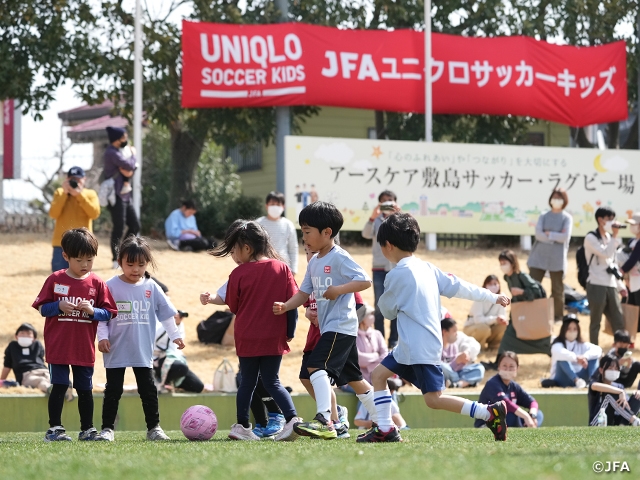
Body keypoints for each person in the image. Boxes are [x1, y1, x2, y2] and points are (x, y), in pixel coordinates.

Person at [359, 212, 511, 443]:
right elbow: (460, 286)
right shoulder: (428, 268)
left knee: (434, 399)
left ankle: (489, 412)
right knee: (379, 375)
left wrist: (386, 301)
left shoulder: (395, 275)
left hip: (416, 348)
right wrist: (492, 296)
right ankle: (385, 428)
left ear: (387, 245)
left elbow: (387, 312)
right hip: (416, 346)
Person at [273, 201, 377, 440]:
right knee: (355, 379)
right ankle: (386, 423)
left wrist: (339, 289)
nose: (304, 237)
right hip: (336, 328)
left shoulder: (339, 257)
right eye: (302, 231)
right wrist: (286, 306)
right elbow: (303, 292)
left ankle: (325, 421)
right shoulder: (315, 262)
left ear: (327, 232)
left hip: (340, 325)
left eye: (307, 231)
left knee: (315, 367)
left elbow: (364, 281)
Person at [203, 220, 301, 441]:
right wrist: (290, 331)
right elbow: (293, 303)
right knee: (272, 381)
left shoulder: (238, 273)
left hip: (247, 336)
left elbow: (234, 306)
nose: (234, 257)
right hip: (274, 335)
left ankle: (243, 426)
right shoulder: (282, 268)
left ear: (246, 248)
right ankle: (293, 419)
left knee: (247, 382)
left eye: (234, 250)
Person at [31, 228, 117, 442]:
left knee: (85, 389)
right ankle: (55, 429)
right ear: (66, 257)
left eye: (90, 259)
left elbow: (109, 313)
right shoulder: (55, 279)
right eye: (79, 260)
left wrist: (92, 311)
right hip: (58, 346)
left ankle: (87, 429)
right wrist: (58, 305)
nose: (85, 265)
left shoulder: (97, 283)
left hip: (83, 347)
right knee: (59, 385)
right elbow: (42, 308)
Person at [97, 236, 185, 441]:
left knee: (148, 390)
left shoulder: (151, 287)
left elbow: (166, 314)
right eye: (130, 264)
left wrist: (175, 336)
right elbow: (102, 317)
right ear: (120, 262)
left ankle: (154, 428)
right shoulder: (110, 287)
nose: (135, 269)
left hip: (142, 350)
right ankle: (107, 429)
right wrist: (102, 338)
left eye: (141, 264)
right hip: (115, 349)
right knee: (113, 390)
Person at [298, 245, 355, 438]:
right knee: (306, 377)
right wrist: (307, 313)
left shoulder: (340, 274)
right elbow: (306, 303)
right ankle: (334, 411)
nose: (311, 256)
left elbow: (359, 305)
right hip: (314, 337)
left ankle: (334, 421)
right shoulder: (311, 276)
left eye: (314, 252)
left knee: (320, 372)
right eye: (307, 252)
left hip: (334, 336)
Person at [491, 250, 551, 363]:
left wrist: (522, 292)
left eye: (505, 263)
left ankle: (555, 353)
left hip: (531, 311)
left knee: (540, 336)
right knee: (509, 335)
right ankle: (498, 362)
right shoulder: (508, 277)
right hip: (520, 311)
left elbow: (536, 291)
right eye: (501, 263)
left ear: (512, 263)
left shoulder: (521, 275)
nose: (502, 266)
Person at [361, 190, 400, 348]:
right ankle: (380, 339)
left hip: (396, 268)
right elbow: (365, 234)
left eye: (390, 201)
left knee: (397, 305)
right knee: (379, 305)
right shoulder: (376, 220)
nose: (387, 204)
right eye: (384, 201)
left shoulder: (399, 220)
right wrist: (372, 216)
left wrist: (400, 215)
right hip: (378, 268)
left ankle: (394, 340)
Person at [527, 188, 572, 322]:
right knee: (532, 285)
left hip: (557, 258)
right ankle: (529, 311)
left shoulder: (566, 218)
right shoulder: (543, 216)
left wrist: (549, 234)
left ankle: (557, 316)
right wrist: (555, 236)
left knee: (557, 289)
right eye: (554, 197)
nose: (556, 200)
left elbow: (565, 236)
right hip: (539, 256)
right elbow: (539, 235)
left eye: (559, 197)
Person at [584, 206, 626, 345]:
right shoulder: (591, 237)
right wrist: (615, 236)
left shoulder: (610, 237)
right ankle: (594, 352)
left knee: (618, 320)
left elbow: (613, 263)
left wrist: (620, 286)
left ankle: (620, 350)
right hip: (596, 283)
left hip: (611, 283)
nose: (612, 222)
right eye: (609, 219)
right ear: (600, 220)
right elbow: (606, 253)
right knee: (595, 321)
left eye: (613, 219)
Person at [48, 166, 101, 272]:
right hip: (61, 244)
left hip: (84, 243)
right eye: (71, 179)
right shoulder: (60, 192)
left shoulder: (90, 194)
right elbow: (53, 214)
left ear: (84, 179)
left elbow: (94, 214)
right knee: (59, 281)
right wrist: (64, 194)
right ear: (66, 180)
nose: (74, 182)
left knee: (83, 279)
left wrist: (79, 195)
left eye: (77, 179)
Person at [103, 126, 140, 269]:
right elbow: (128, 165)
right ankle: (115, 259)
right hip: (115, 195)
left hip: (125, 195)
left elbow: (129, 169)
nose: (126, 140)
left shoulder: (119, 151)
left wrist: (131, 166)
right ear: (116, 139)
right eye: (123, 137)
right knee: (118, 227)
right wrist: (134, 155)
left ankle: (123, 254)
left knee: (135, 225)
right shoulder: (111, 153)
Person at [475, 352, 542, 429]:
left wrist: (532, 415)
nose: (508, 369)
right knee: (512, 415)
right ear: (498, 367)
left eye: (511, 366)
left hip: (508, 421)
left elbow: (532, 402)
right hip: (488, 423)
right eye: (504, 366)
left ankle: (527, 428)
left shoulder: (514, 386)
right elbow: (505, 403)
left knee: (539, 414)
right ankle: (522, 431)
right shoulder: (492, 383)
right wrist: (526, 416)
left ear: (517, 368)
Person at [545, 315, 601, 388]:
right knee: (562, 359)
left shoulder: (581, 344)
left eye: (575, 329)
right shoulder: (557, 343)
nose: (572, 331)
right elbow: (559, 352)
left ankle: (593, 383)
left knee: (593, 358)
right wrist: (576, 358)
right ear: (564, 329)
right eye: (569, 329)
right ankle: (576, 380)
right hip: (563, 378)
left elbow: (598, 350)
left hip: (581, 376)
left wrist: (585, 357)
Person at [154, 311, 204, 394]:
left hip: (173, 359)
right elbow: (155, 338)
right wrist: (169, 323)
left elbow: (178, 344)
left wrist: (176, 324)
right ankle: (157, 379)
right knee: (181, 368)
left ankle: (168, 381)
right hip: (157, 360)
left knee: (198, 386)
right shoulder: (154, 317)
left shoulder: (178, 324)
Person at [588, 354, 640, 427]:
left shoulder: (619, 386)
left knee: (638, 396)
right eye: (610, 368)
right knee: (609, 394)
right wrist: (620, 392)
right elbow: (594, 386)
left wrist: (637, 394)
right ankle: (635, 421)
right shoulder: (595, 382)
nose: (613, 371)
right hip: (598, 422)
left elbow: (627, 406)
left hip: (615, 421)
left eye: (616, 369)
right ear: (601, 370)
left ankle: (623, 426)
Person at [256, 191, 299, 275]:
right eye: (272, 204)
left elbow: (293, 248)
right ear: (266, 206)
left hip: (283, 268)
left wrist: (293, 269)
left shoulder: (288, 225)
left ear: (283, 207)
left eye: (278, 204)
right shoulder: (258, 224)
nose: (275, 207)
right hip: (262, 268)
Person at [1, 323, 51, 394]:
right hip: (26, 375)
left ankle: (66, 390)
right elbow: (7, 366)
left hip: (43, 371)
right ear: (16, 336)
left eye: (28, 334)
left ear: (34, 338)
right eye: (22, 333)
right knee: (40, 381)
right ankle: (51, 390)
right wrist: (2, 381)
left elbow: (42, 359)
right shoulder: (12, 346)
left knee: (53, 380)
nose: (25, 336)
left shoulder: (37, 344)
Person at [464, 275, 508, 350]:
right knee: (484, 328)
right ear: (485, 286)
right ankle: (478, 347)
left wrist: (502, 320)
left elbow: (502, 315)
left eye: (495, 284)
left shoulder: (502, 297)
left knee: (504, 325)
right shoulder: (480, 298)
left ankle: (494, 346)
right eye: (490, 284)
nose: (493, 286)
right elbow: (478, 320)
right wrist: (495, 319)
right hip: (473, 328)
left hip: (490, 327)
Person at [441, 318, 485, 388]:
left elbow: (458, 368)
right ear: (445, 332)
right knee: (441, 366)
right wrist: (456, 362)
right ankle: (465, 382)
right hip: (446, 373)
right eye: (454, 331)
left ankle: (457, 384)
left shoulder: (454, 345)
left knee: (479, 368)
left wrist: (462, 360)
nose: (457, 334)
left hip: (456, 373)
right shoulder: (437, 347)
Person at [619, 212, 640, 334]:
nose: (632, 227)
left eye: (635, 224)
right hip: (630, 281)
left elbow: (633, 259)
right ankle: (629, 338)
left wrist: (621, 271)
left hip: (638, 282)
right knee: (630, 310)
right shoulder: (632, 241)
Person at [356, 303, 388, 384]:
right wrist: (376, 355)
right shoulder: (353, 337)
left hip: (378, 377)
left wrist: (370, 366)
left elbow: (385, 355)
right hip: (359, 380)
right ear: (362, 318)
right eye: (370, 314)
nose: (373, 317)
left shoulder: (377, 334)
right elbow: (359, 359)